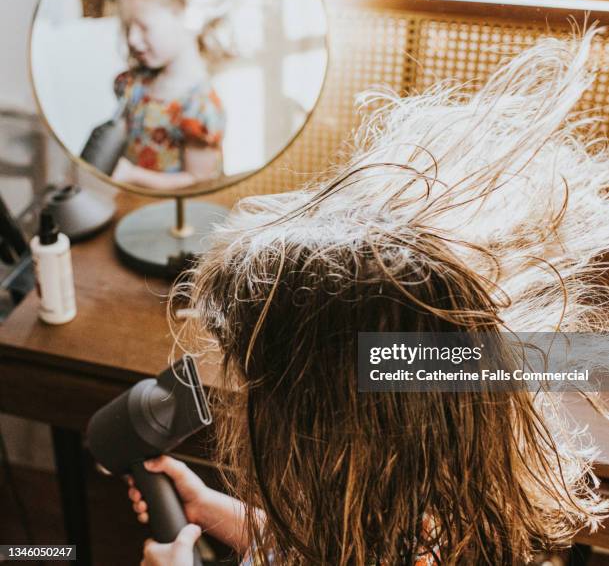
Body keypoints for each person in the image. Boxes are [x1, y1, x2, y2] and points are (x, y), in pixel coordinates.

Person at [130, 29, 609, 564]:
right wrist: (211, 508)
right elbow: (308, 546)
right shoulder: (410, 519)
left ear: (319, 441)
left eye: (256, 379)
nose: (243, 395)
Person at [103, 0, 236, 190]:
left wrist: (132, 175)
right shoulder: (136, 83)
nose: (132, 39)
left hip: (178, 210)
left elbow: (199, 181)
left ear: (188, 18)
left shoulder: (200, 106)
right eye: (127, 27)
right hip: (136, 205)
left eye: (144, 27)